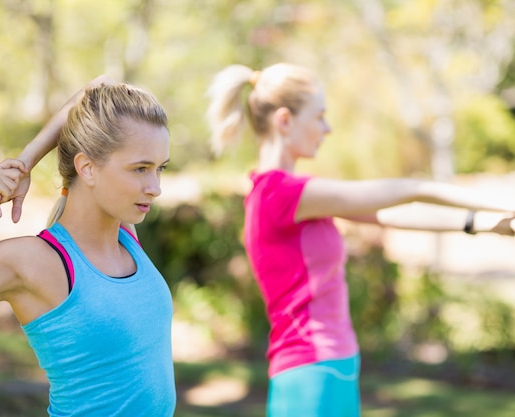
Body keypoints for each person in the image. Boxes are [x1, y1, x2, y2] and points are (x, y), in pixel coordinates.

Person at [205, 63, 515, 417]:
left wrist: (484, 224)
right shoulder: (280, 194)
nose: (328, 128)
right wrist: (504, 200)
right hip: (310, 373)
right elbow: (411, 191)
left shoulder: (296, 196)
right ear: (285, 121)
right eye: (320, 116)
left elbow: (391, 215)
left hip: (332, 365)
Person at [0, 77, 176, 417]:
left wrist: (25, 161)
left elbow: (96, 88)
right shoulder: (36, 263)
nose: (155, 187)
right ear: (87, 168)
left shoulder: (126, 240)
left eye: (159, 168)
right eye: (141, 168)